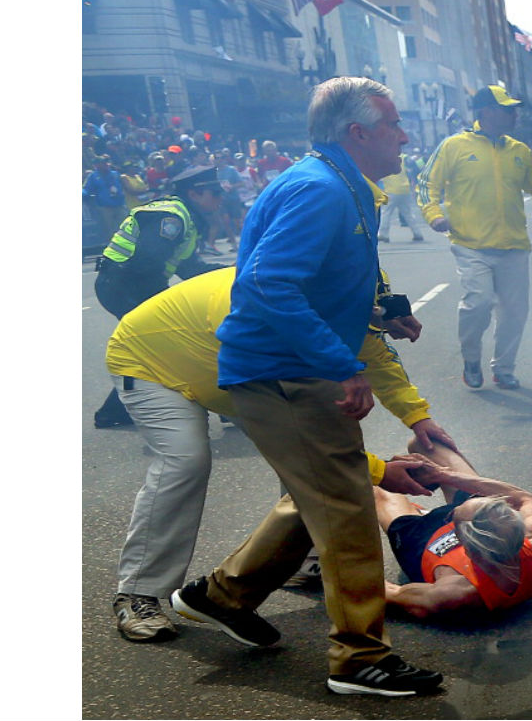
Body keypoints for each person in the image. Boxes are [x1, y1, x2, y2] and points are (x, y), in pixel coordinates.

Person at [169, 77, 443, 697]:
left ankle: (222, 596)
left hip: (290, 367)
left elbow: (332, 276)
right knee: (345, 508)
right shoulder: (319, 189)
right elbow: (268, 284)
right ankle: (359, 658)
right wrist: (342, 366)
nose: (404, 135)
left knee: (316, 493)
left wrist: (384, 311)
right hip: (285, 373)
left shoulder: (346, 186)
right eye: (394, 124)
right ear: (358, 133)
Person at [106, 265, 457, 642]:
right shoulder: (268, 316)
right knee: (186, 462)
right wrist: (378, 471)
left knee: (303, 463)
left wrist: (418, 418)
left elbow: (374, 353)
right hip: (150, 362)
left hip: (223, 369)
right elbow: (304, 433)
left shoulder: (337, 288)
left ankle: (301, 561)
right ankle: (139, 593)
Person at [416, 85, 532, 391]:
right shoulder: (454, 146)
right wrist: (433, 215)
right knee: (478, 303)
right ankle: (471, 359)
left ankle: (504, 368)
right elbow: (426, 184)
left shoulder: (519, 150)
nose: (514, 114)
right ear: (485, 112)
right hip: (470, 244)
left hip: (513, 245)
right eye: (507, 109)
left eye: (514, 109)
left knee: (514, 311)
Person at [92, 165, 227, 428]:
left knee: (147, 347)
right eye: (215, 192)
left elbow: (191, 269)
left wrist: (234, 270)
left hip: (126, 284)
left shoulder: (184, 217)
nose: (220, 199)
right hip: (123, 285)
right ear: (195, 193)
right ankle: (223, 404)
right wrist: (167, 302)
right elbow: (146, 262)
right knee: (164, 341)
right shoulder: (172, 217)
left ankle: (114, 413)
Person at [374, 439, 532, 618]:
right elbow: (522, 497)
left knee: (370, 483)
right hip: (474, 522)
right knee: (424, 442)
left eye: (454, 515)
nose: (452, 510)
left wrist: (377, 471)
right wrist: (442, 474)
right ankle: (467, 498)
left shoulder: (453, 594)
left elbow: (388, 593)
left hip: (423, 542)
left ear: (469, 552)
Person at [378, 155, 425, 243]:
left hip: (391, 190)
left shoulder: (383, 158)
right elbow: (411, 170)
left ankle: (383, 234)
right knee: (408, 213)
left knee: (386, 213)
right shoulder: (403, 157)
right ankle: (417, 233)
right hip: (404, 189)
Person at [83, 155, 128, 243]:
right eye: (102, 163)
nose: (105, 165)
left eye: (106, 162)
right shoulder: (93, 176)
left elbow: (122, 186)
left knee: (124, 226)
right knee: (109, 229)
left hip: (119, 204)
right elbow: (87, 189)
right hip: (105, 207)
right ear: (96, 165)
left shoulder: (115, 174)